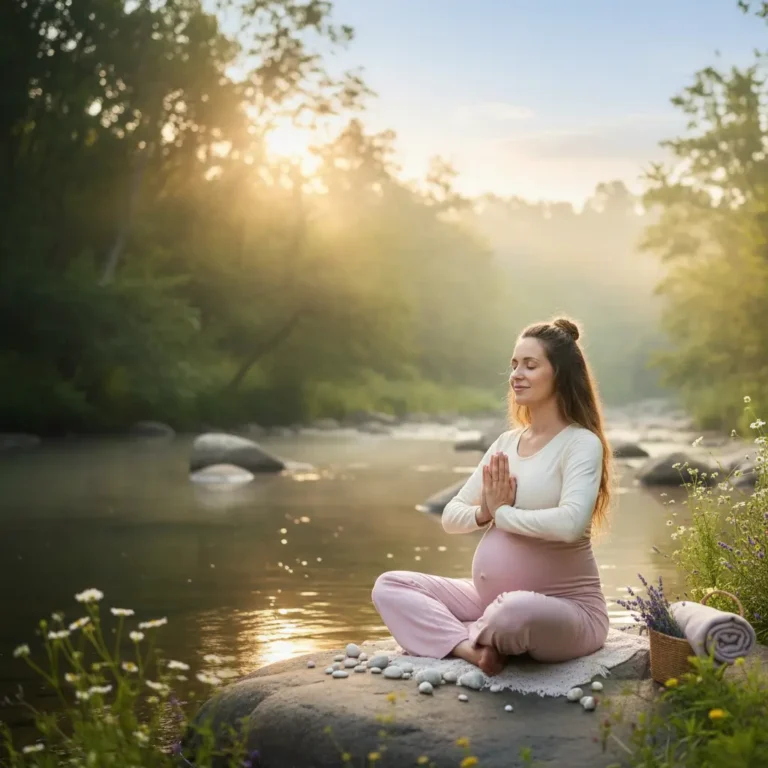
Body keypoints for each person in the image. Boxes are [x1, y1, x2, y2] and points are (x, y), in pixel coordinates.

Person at [371, 317, 613, 676]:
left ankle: (469, 634)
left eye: (530, 365)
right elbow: (451, 517)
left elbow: (569, 524)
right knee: (390, 586)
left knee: (513, 612)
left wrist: (502, 515)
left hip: (567, 609)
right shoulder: (506, 444)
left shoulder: (581, 444)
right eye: (515, 364)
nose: (517, 374)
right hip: (485, 602)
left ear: (560, 374)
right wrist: (483, 512)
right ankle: (471, 649)